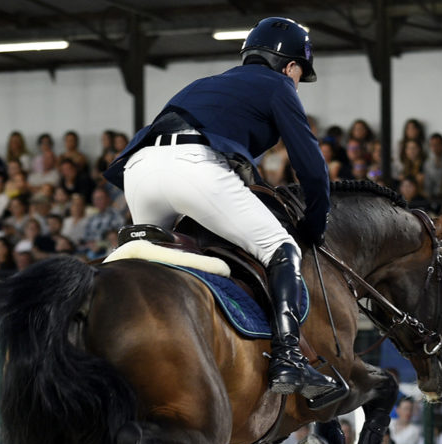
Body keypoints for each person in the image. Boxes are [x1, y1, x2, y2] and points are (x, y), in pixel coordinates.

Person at [104, 17, 336, 401]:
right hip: (193, 166)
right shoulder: (278, 84)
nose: (296, 82)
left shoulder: (206, 83)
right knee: (281, 248)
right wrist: (314, 224)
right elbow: (311, 167)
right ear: (291, 66)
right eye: (299, 74)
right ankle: (288, 358)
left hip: (140, 169)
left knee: (145, 270)